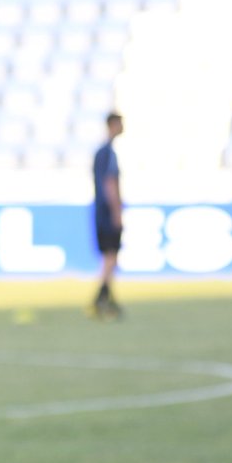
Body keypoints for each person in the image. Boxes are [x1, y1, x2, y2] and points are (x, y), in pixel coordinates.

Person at [91, 111, 124, 319]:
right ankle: (100, 299)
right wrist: (117, 211)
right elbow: (110, 183)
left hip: (100, 211)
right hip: (107, 212)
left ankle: (106, 298)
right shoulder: (109, 153)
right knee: (111, 256)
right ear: (113, 124)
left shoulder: (101, 152)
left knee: (109, 257)